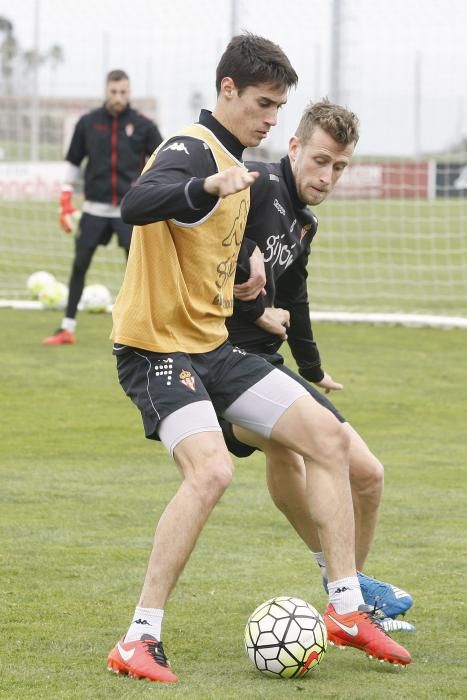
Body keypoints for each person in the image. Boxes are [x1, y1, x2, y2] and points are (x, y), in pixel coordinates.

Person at [107, 34, 411, 684]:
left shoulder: (243, 169)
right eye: (264, 102)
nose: (273, 117)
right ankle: (138, 637)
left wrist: (243, 277)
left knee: (327, 439)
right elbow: (136, 206)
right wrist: (205, 185)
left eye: (279, 105)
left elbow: (216, 252)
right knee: (211, 472)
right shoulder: (193, 148)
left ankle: (345, 607)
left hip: (214, 349)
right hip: (154, 349)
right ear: (227, 91)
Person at [221, 98, 415, 632]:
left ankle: (349, 590)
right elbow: (201, 258)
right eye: (321, 160)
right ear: (294, 147)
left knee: (369, 477)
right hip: (221, 366)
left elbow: (297, 297)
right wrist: (256, 308)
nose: (328, 176)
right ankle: (345, 594)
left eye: (340, 167)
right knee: (289, 448)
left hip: (267, 364)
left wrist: (312, 366)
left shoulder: (303, 223)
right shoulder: (256, 186)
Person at [42, 69, 163, 346]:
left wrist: (152, 194)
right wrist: (65, 197)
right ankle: (67, 327)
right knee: (79, 266)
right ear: (106, 91)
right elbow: (74, 161)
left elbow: (161, 159)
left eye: (123, 92)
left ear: (129, 93)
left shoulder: (144, 125)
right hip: (94, 210)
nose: (118, 97)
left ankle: (143, 331)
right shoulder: (88, 123)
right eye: (114, 92)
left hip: (128, 212)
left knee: (138, 271)